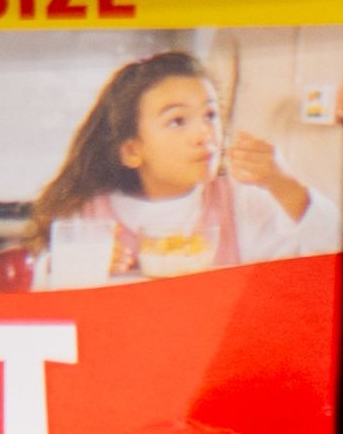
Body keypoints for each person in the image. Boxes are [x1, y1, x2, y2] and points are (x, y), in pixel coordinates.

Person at [21, 39, 311, 283]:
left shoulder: (243, 203)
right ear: (132, 151)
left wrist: (286, 186)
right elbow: (45, 301)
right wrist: (80, 268)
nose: (204, 134)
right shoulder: (88, 217)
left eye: (209, 115)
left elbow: (300, 281)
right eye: (177, 121)